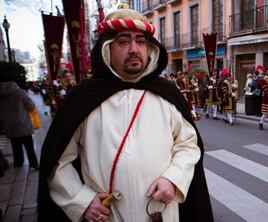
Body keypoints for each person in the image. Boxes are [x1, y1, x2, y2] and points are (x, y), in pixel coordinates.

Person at [38, 9, 213, 222]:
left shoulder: (168, 94)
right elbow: (59, 163)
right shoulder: (83, 97)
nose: (134, 49)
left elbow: (188, 146)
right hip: (107, 216)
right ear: (106, 48)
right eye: (123, 42)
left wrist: (173, 179)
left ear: (149, 48)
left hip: (160, 213)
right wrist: (81, 200)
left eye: (140, 41)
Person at [0, 81, 39, 170]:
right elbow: (30, 106)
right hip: (23, 123)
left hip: (9, 125)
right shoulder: (20, 92)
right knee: (29, 146)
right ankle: (33, 164)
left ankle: (18, 162)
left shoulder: (1, 96)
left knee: (15, 145)